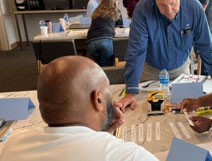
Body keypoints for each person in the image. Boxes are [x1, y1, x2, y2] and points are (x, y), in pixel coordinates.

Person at [0, 56, 158, 161]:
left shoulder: (11, 147)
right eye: (107, 91)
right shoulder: (128, 156)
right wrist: (104, 140)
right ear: (98, 99)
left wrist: (99, 134)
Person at [119, 0, 212, 111]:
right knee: (148, 111)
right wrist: (131, 90)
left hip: (180, 70)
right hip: (150, 71)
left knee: (185, 112)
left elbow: (204, 42)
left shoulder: (193, 7)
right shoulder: (142, 9)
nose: (169, 10)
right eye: (163, 5)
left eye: (173, 3)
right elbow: (136, 51)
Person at [87, 0, 123, 67]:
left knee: (100, 66)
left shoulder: (96, 11)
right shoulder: (116, 11)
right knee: (107, 68)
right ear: (114, 2)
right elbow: (120, 27)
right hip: (106, 40)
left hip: (91, 42)